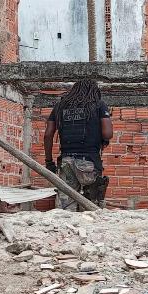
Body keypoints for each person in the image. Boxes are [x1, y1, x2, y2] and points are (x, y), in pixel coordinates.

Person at [43, 80, 113, 211]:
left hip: (66, 161)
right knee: (92, 205)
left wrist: (49, 161)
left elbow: (48, 135)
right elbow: (108, 133)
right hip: (89, 162)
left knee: (66, 206)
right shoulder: (98, 105)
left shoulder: (60, 106)